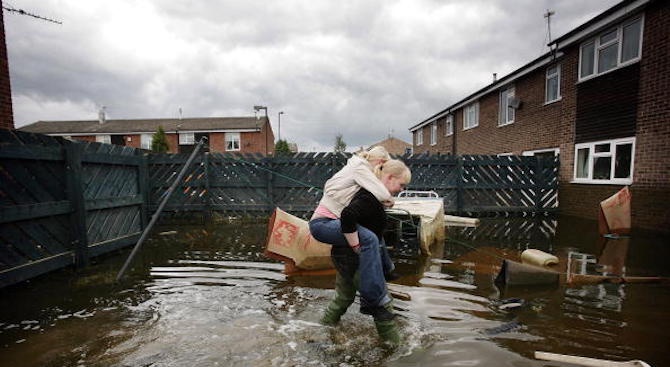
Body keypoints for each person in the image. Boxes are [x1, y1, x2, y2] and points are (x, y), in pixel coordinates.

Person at [317, 159, 411, 344]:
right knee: (382, 304)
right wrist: (355, 246)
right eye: (401, 184)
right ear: (390, 177)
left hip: (344, 257)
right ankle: (398, 348)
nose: (401, 189)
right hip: (355, 259)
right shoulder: (368, 197)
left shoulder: (370, 195)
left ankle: (323, 328)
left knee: (343, 298)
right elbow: (348, 216)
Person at [309, 146, 398, 279]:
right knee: (369, 238)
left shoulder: (358, 169)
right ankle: (377, 283)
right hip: (322, 224)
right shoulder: (361, 168)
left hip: (334, 222)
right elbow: (383, 194)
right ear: (380, 162)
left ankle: (386, 273)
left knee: (375, 233)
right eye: (383, 168)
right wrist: (389, 200)